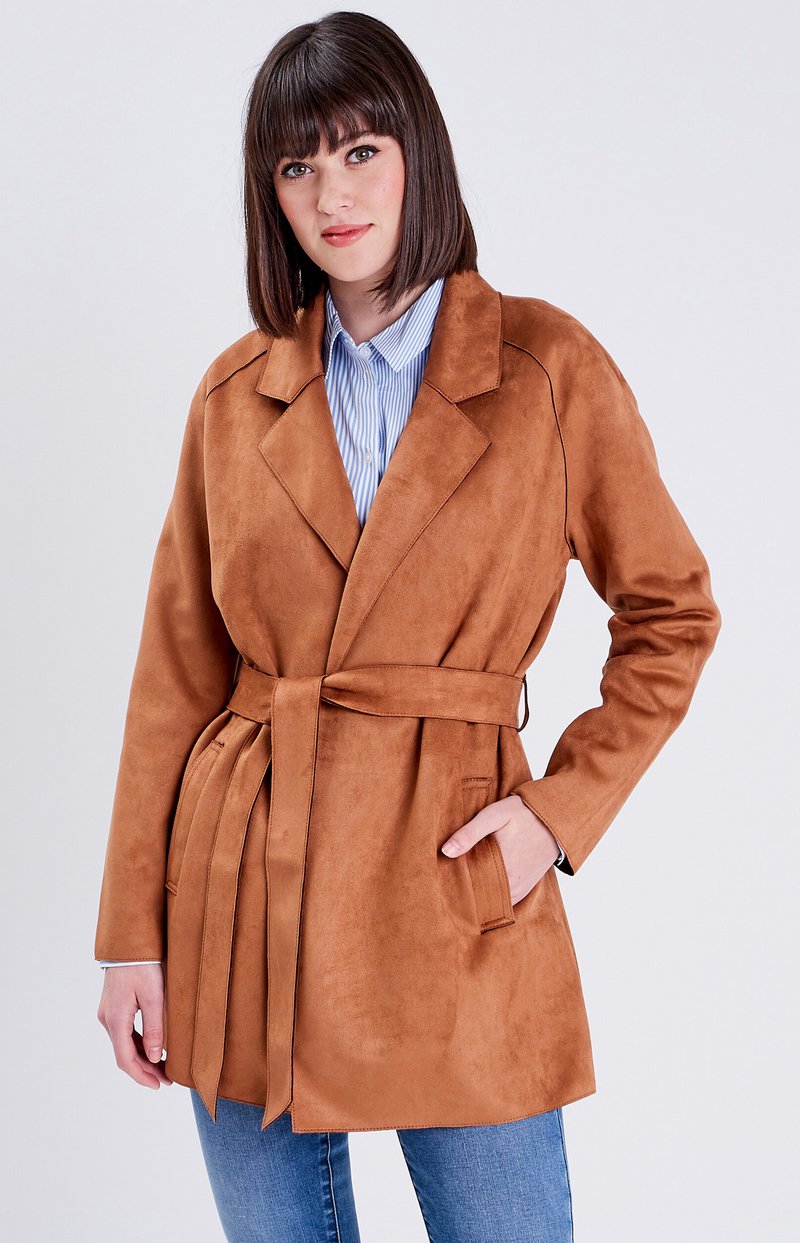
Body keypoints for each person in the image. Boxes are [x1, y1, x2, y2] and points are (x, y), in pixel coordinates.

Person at [94, 11, 722, 1242]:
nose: (331, 195)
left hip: (450, 883)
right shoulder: (234, 396)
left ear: (415, 155)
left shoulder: (545, 369)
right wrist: (131, 939)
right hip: (245, 898)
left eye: (359, 151)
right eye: (295, 166)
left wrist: (556, 815)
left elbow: (670, 612)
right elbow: (175, 675)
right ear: (268, 194)